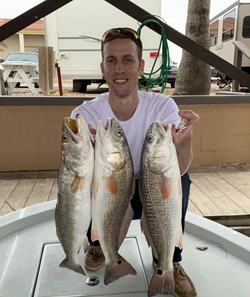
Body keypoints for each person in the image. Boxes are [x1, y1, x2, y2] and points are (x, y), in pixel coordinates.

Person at [70, 27, 199, 297]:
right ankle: (99, 242)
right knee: (94, 181)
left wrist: (184, 141)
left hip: (152, 191)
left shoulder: (163, 107)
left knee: (180, 179)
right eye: (111, 61)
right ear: (102, 68)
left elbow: (181, 167)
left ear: (140, 66)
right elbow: (75, 180)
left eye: (128, 60)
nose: (120, 69)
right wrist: (85, 154)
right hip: (111, 191)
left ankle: (168, 261)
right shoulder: (85, 113)